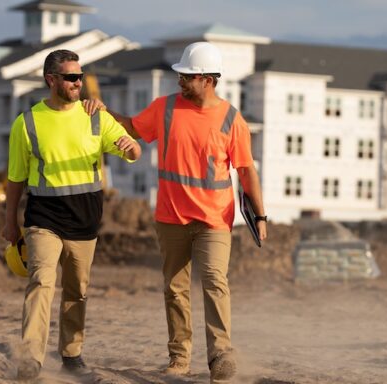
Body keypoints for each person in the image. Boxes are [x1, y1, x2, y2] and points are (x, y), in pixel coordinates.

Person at [96, 41, 267, 383]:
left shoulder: (233, 120)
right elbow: (132, 128)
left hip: (215, 220)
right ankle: (179, 359)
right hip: (171, 217)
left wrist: (260, 217)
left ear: (207, 79)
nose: (181, 82)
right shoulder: (165, 109)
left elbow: (246, 171)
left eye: (187, 77)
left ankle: (220, 355)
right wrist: (103, 112)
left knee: (215, 282)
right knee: (175, 288)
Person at [2, 49, 141, 380]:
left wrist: (131, 148)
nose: (79, 82)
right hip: (43, 219)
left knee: (77, 289)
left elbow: (131, 147)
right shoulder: (27, 123)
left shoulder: (95, 116)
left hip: (84, 220)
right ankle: (31, 358)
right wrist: (10, 222)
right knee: (41, 281)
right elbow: (15, 179)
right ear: (52, 80)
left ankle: (72, 354)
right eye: (72, 77)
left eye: (80, 76)